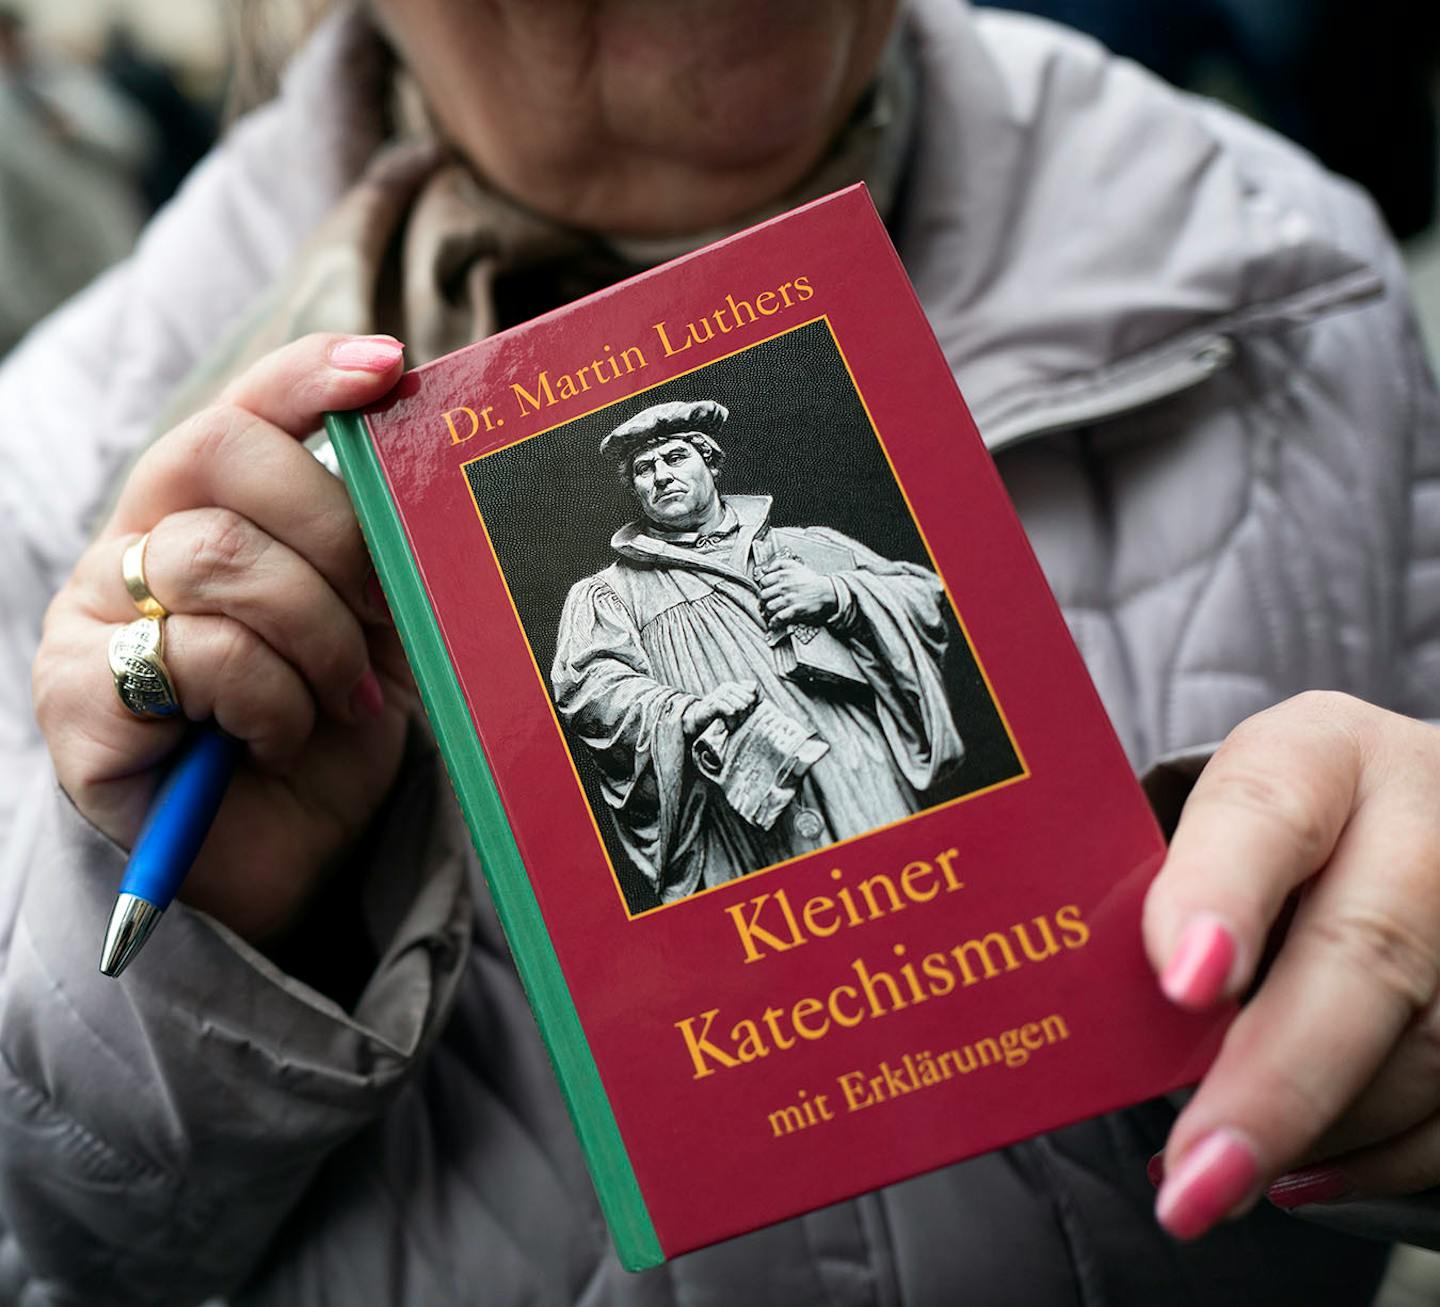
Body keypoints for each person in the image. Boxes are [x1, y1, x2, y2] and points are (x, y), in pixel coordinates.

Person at [2, 0, 1439, 1303]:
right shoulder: (60, 451)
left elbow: (910, 607)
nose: (677, 484)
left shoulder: (1284, 267)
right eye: (656, 473)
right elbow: (56, 1239)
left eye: (696, 461)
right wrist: (234, 931)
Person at [552, 399, 963, 904]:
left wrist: (836, 595)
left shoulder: (807, 547)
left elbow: (926, 600)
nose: (660, 476)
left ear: (711, 462)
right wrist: (683, 711)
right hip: (736, 810)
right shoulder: (609, 594)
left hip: (856, 775)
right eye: (644, 468)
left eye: (676, 458)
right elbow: (590, 688)